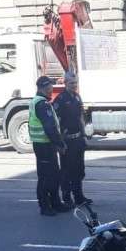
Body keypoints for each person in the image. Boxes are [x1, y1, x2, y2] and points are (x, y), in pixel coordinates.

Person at [30, 76, 69, 216]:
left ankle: (55, 202)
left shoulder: (41, 102)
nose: (52, 89)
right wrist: (60, 143)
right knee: (45, 177)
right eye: (51, 87)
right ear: (47, 88)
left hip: (46, 145)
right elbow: (50, 127)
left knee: (53, 175)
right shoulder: (42, 104)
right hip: (44, 146)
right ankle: (45, 205)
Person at [52, 71, 91, 205]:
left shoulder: (77, 98)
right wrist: (59, 141)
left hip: (78, 139)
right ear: (65, 83)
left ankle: (79, 196)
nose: (74, 85)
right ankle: (67, 197)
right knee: (67, 170)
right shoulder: (60, 100)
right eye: (71, 83)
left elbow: (80, 118)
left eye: (75, 83)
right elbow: (56, 122)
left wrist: (84, 135)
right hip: (67, 140)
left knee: (79, 169)